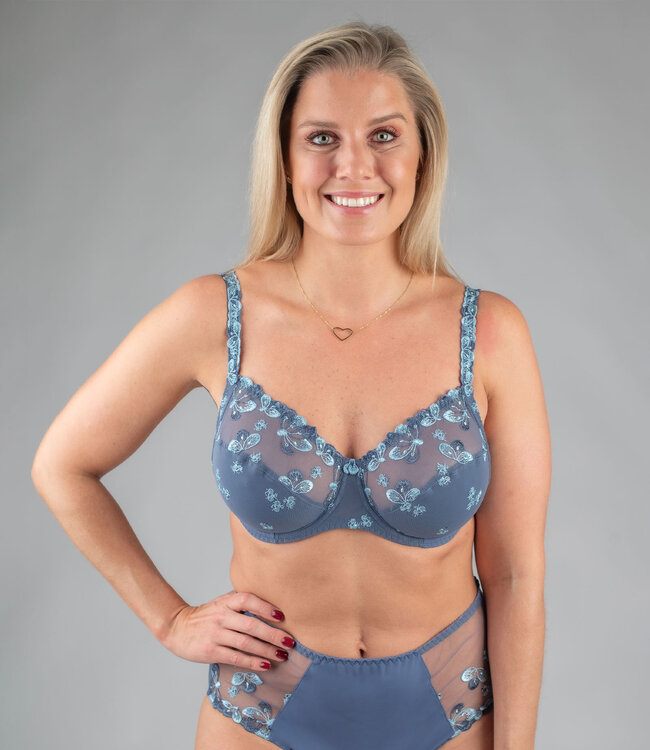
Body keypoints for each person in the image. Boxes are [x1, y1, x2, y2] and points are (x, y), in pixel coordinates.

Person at [31, 20, 550, 750]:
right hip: (261, 716)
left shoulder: (490, 332)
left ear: (423, 155)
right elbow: (60, 466)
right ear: (283, 158)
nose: (354, 165)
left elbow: (517, 576)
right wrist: (169, 619)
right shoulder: (215, 316)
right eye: (321, 138)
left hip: (450, 715)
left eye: (384, 135)